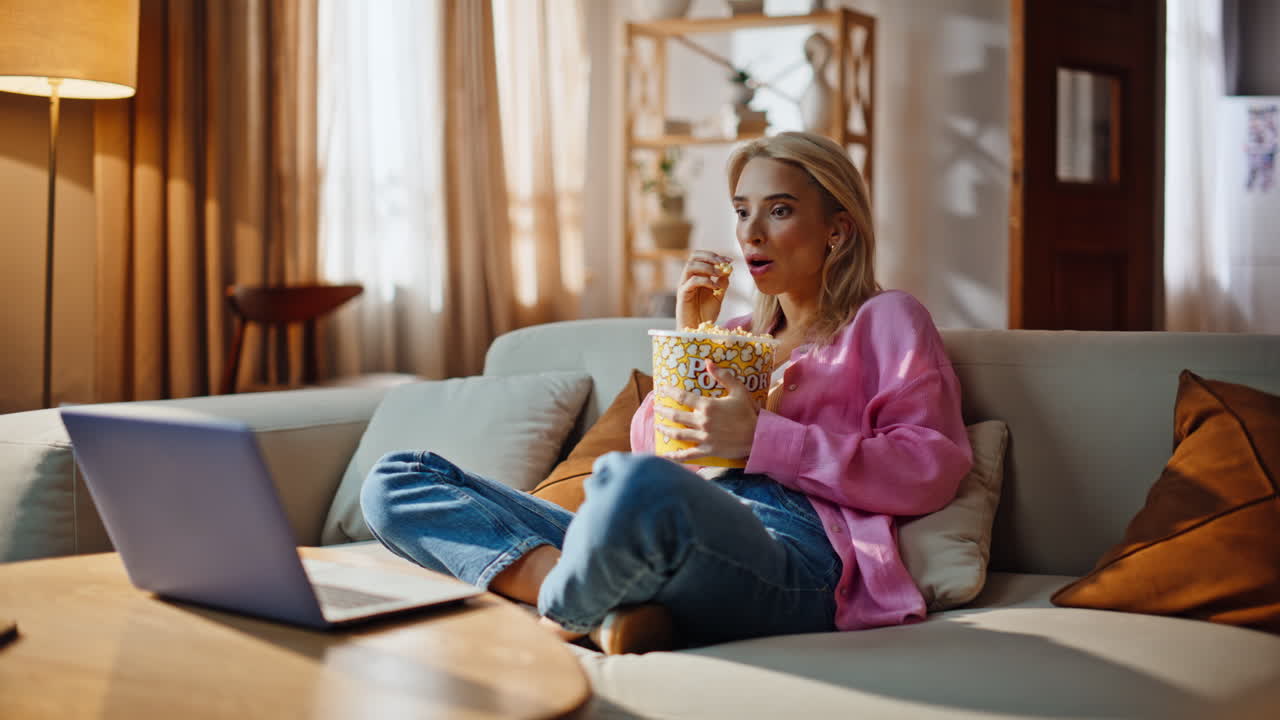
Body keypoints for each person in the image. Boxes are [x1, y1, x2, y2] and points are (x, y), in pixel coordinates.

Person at [360, 131, 973, 653]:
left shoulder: (886, 320)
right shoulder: (736, 335)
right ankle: (599, 598)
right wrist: (690, 340)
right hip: (677, 527)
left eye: (779, 211)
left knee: (632, 484)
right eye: (742, 212)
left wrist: (765, 441)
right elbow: (663, 450)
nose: (752, 233)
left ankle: (573, 605)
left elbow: (930, 468)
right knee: (396, 480)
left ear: (837, 229)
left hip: (800, 553)